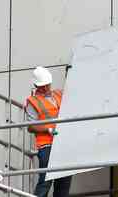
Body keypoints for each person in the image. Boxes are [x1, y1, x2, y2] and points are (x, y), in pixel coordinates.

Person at [25, 66, 72, 197]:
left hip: (63, 143)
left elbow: (72, 97)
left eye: (47, 85)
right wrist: (48, 129)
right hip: (47, 146)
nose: (45, 88)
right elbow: (30, 126)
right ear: (36, 85)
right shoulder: (32, 101)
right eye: (42, 86)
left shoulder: (58, 94)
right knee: (45, 181)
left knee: (64, 181)